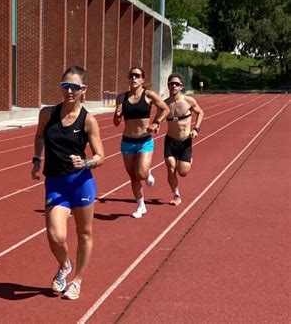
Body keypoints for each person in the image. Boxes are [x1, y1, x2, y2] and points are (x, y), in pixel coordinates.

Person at [31, 66, 105, 300]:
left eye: (74, 87)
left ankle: (78, 280)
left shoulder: (88, 120)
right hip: (55, 182)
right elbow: (39, 135)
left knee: (84, 232)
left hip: (80, 183)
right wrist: (36, 159)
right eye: (65, 86)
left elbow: (100, 156)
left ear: (84, 89)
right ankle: (65, 264)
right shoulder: (47, 114)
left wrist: (85, 163)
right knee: (56, 235)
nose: (69, 91)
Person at [113, 66, 169, 218]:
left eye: (137, 76)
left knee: (142, 173)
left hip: (144, 140)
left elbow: (165, 109)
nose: (134, 78)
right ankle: (141, 205)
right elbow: (116, 123)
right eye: (131, 75)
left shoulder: (149, 95)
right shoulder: (121, 98)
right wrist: (117, 114)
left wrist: (156, 122)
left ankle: (148, 174)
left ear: (142, 79)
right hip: (127, 142)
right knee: (133, 176)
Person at [163, 73, 204, 206]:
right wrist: (155, 124)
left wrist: (196, 129)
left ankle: (188, 160)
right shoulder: (165, 104)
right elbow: (157, 118)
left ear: (181, 87)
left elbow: (201, 113)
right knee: (170, 168)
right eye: (171, 84)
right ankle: (176, 194)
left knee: (183, 172)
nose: (174, 86)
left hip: (185, 141)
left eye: (177, 84)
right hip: (170, 140)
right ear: (168, 86)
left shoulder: (189, 101)